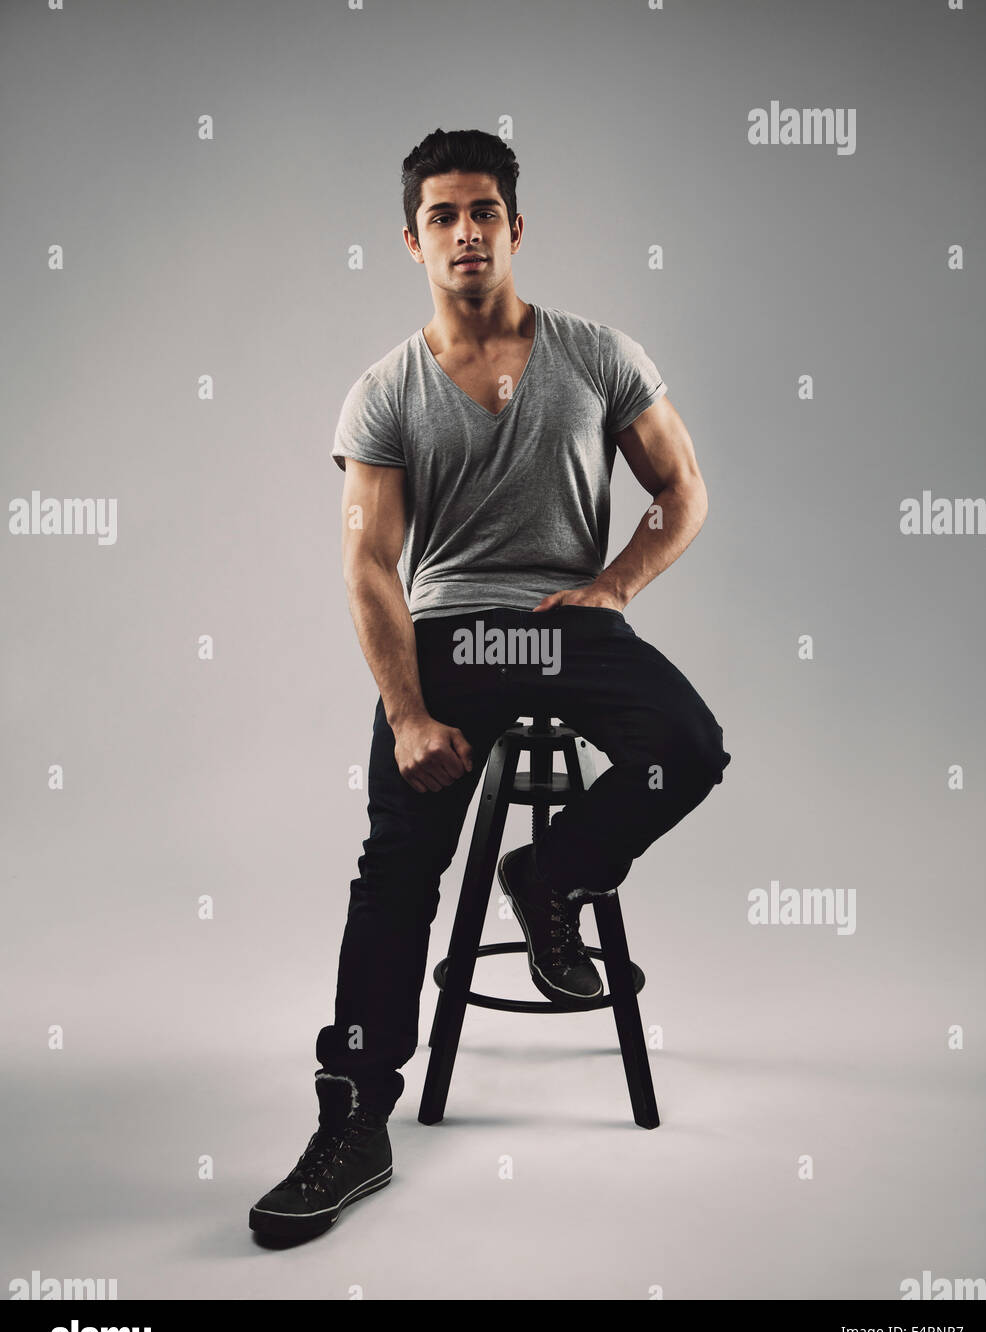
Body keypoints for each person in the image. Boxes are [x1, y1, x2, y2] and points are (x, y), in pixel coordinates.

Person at [249, 128, 731, 1244]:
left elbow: (684, 489)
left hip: (564, 626)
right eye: (441, 217)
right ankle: (355, 1115)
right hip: (453, 640)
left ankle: (550, 876)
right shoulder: (385, 391)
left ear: (516, 228)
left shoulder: (599, 354)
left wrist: (615, 585)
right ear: (410, 240)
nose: (465, 232)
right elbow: (369, 565)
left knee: (689, 747)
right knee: (398, 865)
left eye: (483, 212)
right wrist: (409, 710)